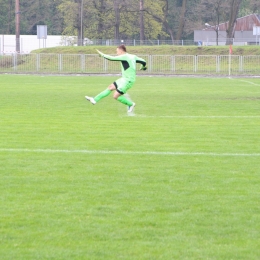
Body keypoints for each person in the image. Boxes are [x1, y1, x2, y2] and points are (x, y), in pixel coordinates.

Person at [85, 44, 147, 113]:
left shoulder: (124, 56)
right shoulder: (133, 56)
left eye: (117, 51)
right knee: (110, 87)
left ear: (121, 51)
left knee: (115, 96)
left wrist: (102, 55)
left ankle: (131, 104)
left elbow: (111, 58)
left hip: (128, 81)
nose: (116, 53)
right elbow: (143, 61)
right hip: (124, 79)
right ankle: (94, 99)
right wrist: (143, 67)